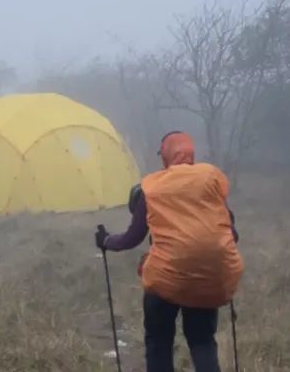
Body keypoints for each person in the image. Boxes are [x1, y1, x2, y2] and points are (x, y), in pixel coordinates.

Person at [95, 131, 242, 372]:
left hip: (166, 278)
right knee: (203, 341)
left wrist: (106, 240)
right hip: (210, 277)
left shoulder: (152, 187)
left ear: (165, 155)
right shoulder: (210, 181)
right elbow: (231, 234)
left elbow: (132, 238)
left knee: (159, 341)